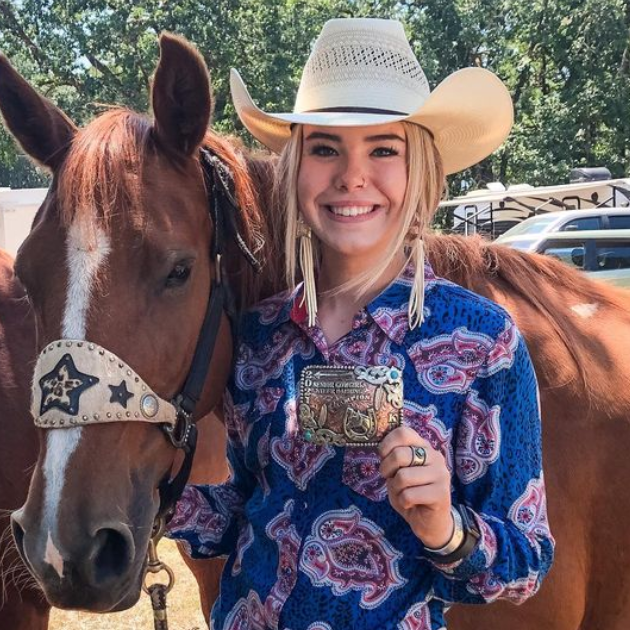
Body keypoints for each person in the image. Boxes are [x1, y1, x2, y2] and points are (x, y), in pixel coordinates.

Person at [168, 17, 554, 629]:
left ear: (418, 169)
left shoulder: (484, 344)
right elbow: (246, 505)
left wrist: (445, 527)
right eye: (325, 148)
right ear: (296, 168)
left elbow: (525, 562)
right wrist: (156, 500)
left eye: (383, 149)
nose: (352, 175)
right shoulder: (260, 333)